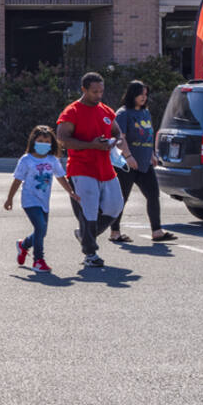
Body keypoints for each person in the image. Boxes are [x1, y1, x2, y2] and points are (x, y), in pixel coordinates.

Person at [56, 71, 125, 269]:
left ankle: (85, 235)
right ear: (84, 90)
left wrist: (116, 141)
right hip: (81, 168)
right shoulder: (72, 111)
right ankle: (90, 253)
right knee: (89, 210)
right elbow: (62, 138)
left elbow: (117, 132)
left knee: (115, 206)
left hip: (105, 167)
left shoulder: (105, 110)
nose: (98, 95)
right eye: (94, 92)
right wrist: (92, 145)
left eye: (101, 91)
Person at [4, 124, 78, 272]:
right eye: (40, 141)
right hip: (30, 200)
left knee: (42, 231)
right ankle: (38, 260)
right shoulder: (26, 160)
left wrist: (71, 192)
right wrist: (9, 198)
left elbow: (60, 177)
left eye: (47, 142)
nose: (43, 144)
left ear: (51, 143)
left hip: (44, 200)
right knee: (40, 227)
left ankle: (23, 245)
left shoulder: (52, 160)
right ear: (33, 141)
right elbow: (17, 180)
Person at [109, 80, 175, 244]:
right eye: (141, 94)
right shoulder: (123, 114)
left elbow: (148, 136)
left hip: (145, 163)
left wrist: (152, 154)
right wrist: (128, 156)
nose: (144, 98)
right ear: (132, 94)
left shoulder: (146, 113)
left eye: (146, 94)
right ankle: (115, 232)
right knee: (122, 197)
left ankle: (157, 231)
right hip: (127, 164)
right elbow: (120, 138)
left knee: (153, 195)